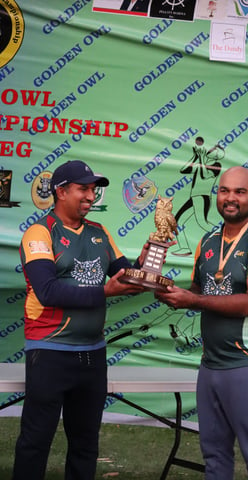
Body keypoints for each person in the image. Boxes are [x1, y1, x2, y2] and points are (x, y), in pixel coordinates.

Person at [12, 160, 150, 480]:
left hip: (92, 353)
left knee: (86, 444)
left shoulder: (99, 232)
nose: (91, 196)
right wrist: (106, 291)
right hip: (49, 352)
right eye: (83, 189)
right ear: (61, 192)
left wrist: (147, 260)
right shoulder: (40, 232)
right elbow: (47, 291)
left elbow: (123, 276)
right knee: (35, 442)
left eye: (93, 190)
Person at [155, 166, 248, 480]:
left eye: (240, 192)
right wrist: (163, 288)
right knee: (214, 457)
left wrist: (193, 301)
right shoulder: (208, 240)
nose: (230, 198)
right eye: (225, 190)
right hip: (211, 366)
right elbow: (200, 291)